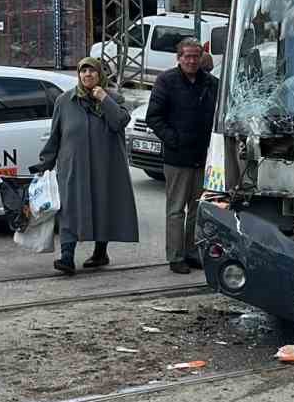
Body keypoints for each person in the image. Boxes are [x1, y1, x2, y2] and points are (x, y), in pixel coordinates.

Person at [39, 55, 139, 276]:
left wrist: (104, 98)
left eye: (92, 71)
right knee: (70, 210)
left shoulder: (114, 99)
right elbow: (55, 135)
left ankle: (100, 252)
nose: (87, 75)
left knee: (103, 207)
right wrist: (44, 163)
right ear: (78, 75)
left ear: (100, 75)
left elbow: (120, 122)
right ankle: (67, 257)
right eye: (83, 71)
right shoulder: (65, 101)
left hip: (106, 167)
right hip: (74, 168)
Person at [146, 37, 218, 274]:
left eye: (196, 56)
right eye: (187, 56)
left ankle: (192, 252)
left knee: (198, 209)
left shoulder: (210, 83)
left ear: (201, 58)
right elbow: (154, 117)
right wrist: (174, 140)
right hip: (177, 158)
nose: (191, 60)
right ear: (178, 58)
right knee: (176, 210)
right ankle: (175, 256)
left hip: (203, 156)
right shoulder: (166, 81)